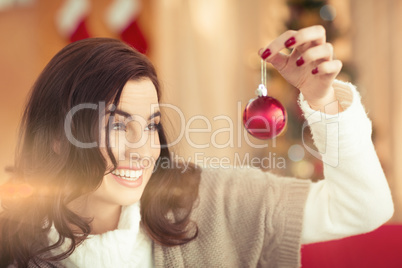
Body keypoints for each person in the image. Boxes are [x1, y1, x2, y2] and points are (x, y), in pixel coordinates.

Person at [0, 25, 393, 268]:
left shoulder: (211, 201)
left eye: (151, 124)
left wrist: (324, 104)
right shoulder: (12, 247)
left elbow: (364, 208)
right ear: (55, 138)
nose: (143, 149)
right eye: (118, 124)